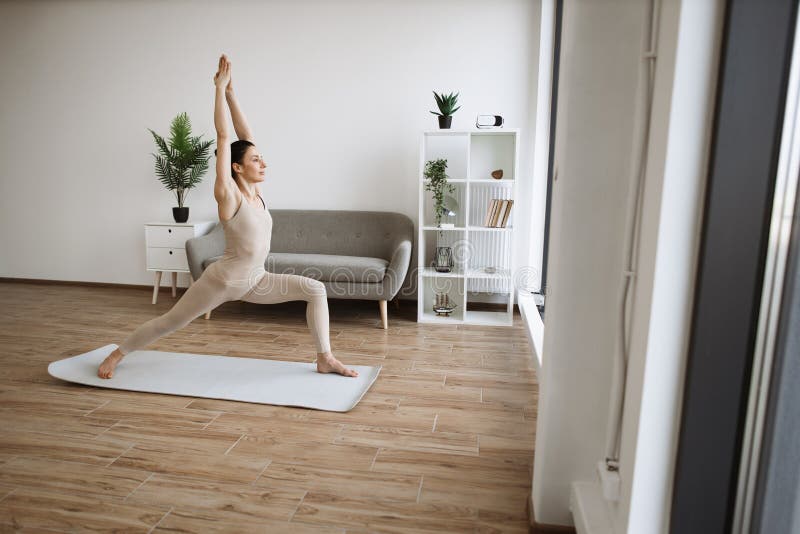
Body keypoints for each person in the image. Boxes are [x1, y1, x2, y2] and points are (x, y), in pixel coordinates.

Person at [98, 54, 358, 379]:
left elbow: (243, 135)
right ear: (236, 167)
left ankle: (325, 358)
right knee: (170, 322)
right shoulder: (228, 194)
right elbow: (225, 139)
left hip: (255, 281)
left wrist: (233, 92)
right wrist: (218, 91)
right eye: (256, 160)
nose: (263, 163)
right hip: (221, 283)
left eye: (262, 159)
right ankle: (118, 353)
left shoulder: (257, 193)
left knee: (315, 290)